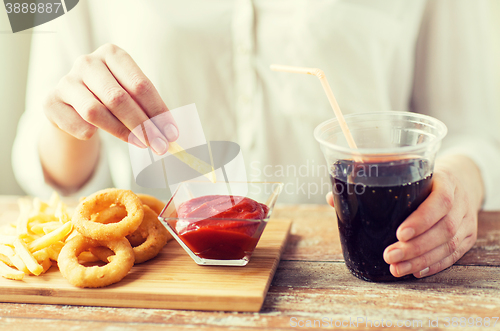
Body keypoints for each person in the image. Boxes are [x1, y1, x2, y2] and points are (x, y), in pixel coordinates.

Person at [12, 0, 500, 280]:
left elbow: (478, 134)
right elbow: (46, 164)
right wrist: (69, 119)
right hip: (167, 275)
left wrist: (463, 184)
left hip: (361, 265)